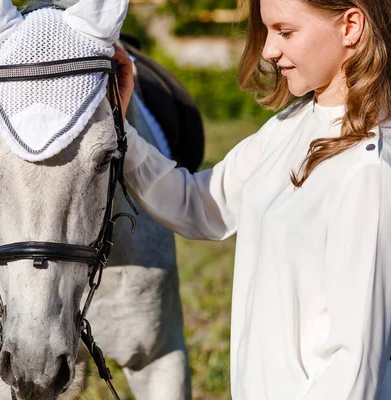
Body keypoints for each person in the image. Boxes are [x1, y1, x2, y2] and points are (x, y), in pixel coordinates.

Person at [112, 0, 391, 398]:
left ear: (350, 26)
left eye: (286, 31)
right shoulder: (288, 126)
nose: (268, 51)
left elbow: (356, 362)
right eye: (267, 31)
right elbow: (200, 205)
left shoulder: (370, 168)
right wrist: (119, 129)